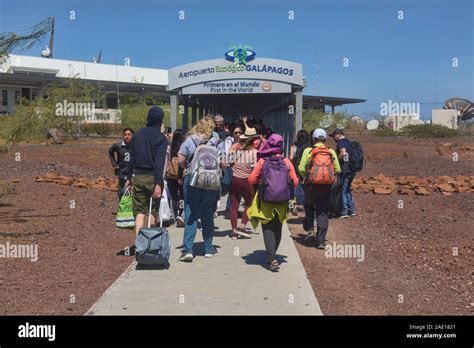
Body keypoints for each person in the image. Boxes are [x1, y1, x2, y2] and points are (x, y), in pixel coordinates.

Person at [247, 134, 299, 272]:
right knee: (278, 226)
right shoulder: (286, 161)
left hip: (265, 199)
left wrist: (262, 182)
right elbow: (295, 181)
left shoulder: (263, 161)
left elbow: (251, 179)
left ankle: (272, 258)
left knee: (267, 227)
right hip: (282, 200)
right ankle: (273, 254)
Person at [178, 116, 221, 262]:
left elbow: (180, 160)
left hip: (192, 180)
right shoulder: (217, 142)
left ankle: (188, 249)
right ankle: (208, 249)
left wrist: (188, 169)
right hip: (211, 183)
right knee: (207, 214)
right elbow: (225, 163)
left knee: (191, 213)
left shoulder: (189, 140)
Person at [125, 106, 168, 236]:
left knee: (139, 212)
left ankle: (139, 242)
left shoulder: (136, 135)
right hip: (153, 177)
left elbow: (131, 159)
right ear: (160, 120)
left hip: (138, 176)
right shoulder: (161, 138)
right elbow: (159, 163)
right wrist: (158, 183)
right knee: (153, 210)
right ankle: (150, 242)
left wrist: (128, 177)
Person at [298, 129, 340, 249]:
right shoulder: (330, 151)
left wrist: (307, 177)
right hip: (326, 187)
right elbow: (337, 169)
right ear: (325, 139)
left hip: (311, 185)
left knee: (309, 206)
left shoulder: (309, 151)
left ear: (313, 139)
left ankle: (310, 230)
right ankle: (321, 241)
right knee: (322, 211)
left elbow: (301, 168)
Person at [227, 127, 259, 239]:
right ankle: (242, 225)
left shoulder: (235, 149)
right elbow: (255, 168)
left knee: (234, 206)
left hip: (234, 180)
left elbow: (228, 162)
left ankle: (234, 231)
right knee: (250, 204)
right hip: (246, 180)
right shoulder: (255, 153)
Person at [329, 128, 356, 218]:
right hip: (351, 169)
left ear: (338, 134)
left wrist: (336, 160)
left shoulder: (342, 142)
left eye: (334, 136)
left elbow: (343, 153)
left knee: (343, 190)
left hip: (344, 169)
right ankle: (351, 210)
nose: (333, 138)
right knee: (347, 189)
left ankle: (344, 211)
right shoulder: (348, 142)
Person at [166, 128, 185, 227]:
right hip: (181, 175)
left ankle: (174, 217)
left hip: (170, 175)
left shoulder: (170, 147)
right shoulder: (184, 147)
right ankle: (181, 215)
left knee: (173, 197)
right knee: (182, 196)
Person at [108, 128, 134, 199]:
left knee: (133, 195)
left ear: (132, 136)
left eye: (129, 134)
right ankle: (122, 208)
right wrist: (114, 164)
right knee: (122, 193)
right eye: (125, 134)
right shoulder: (118, 145)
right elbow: (110, 151)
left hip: (133, 174)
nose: (127, 136)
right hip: (122, 172)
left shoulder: (136, 145)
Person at [289, 130, 311, 210]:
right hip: (307, 168)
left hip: (296, 167)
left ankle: (295, 204)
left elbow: (291, 158)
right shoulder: (310, 145)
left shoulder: (294, 145)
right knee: (306, 186)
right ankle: (306, 202)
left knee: (296, 185)